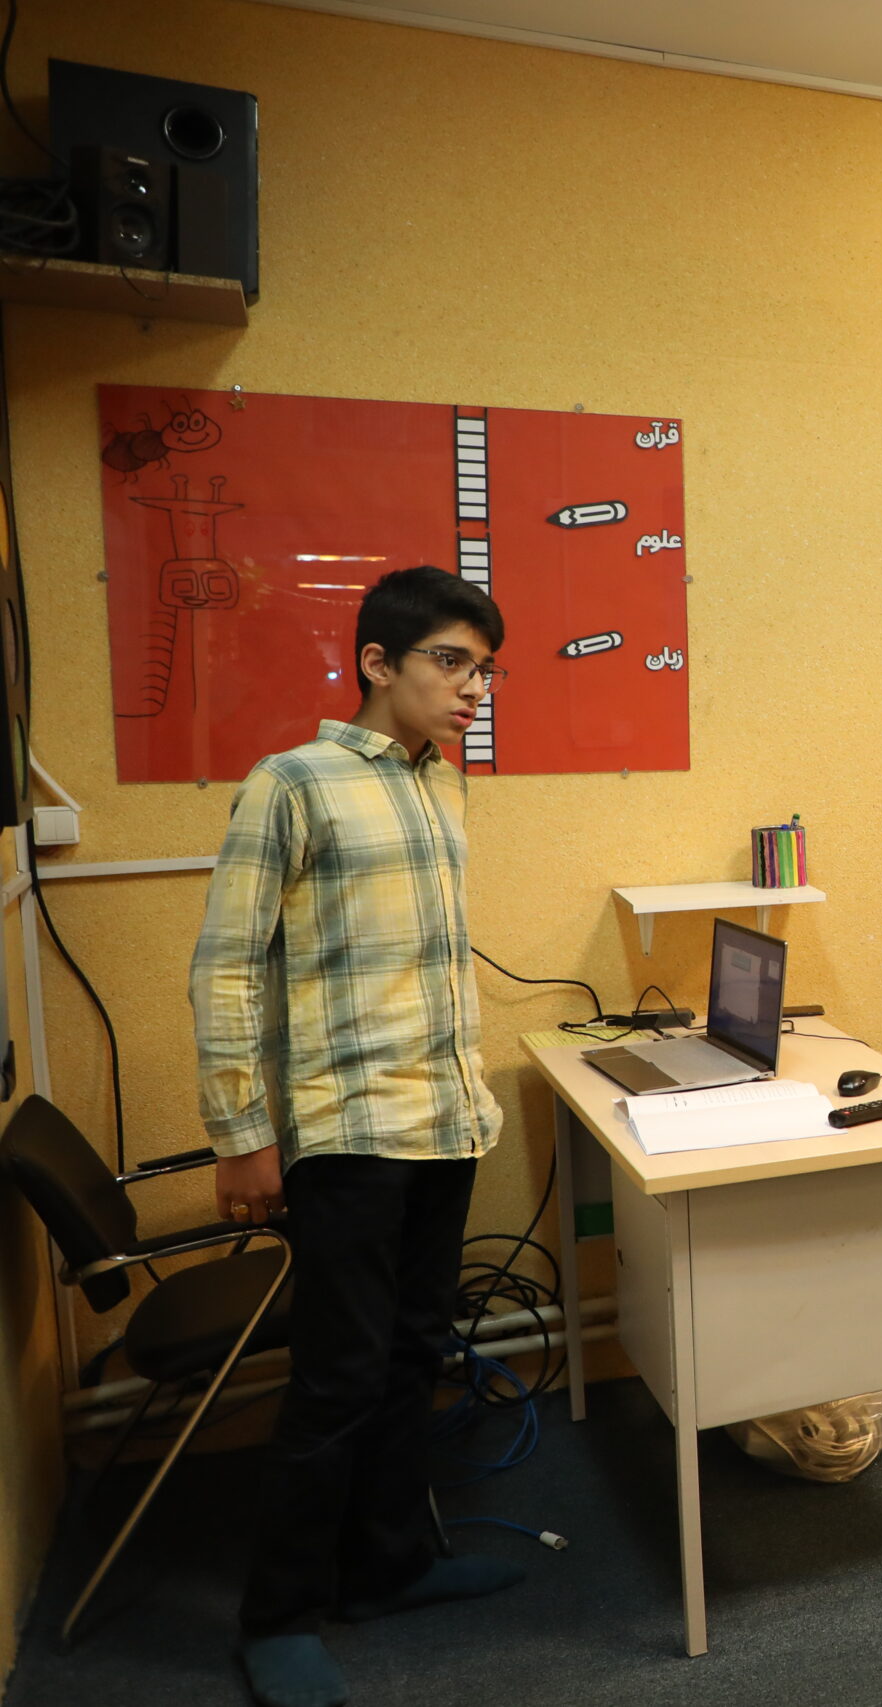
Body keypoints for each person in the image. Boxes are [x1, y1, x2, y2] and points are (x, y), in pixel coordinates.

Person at [193, 567, 524, 1707]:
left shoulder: (444, 785)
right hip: (348, 1129)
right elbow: (226, 968)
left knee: (412, 1354)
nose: (473, 688)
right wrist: (242, 1133)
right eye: (451, 661)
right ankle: (279, 1615)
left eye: (484, 669)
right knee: (336, 1376)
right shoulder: (292, 784)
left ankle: (387, 1568)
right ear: (377, 663)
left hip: (443, 1119)